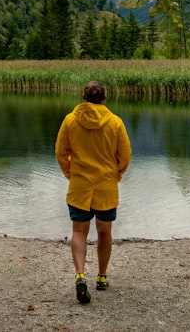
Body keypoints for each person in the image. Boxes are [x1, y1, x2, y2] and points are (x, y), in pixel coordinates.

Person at [55, 80, 132, 304]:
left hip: (80, 186)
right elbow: (125, 155)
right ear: (104, 99)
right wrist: (116, 174)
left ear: (83, 98)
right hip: (106, 186)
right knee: (104, 232)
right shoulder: (115, 122)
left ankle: (80, 275)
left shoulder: (70, 120)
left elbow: (61, 152)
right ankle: (101, 276)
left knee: (79, 232)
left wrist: (71, 173)